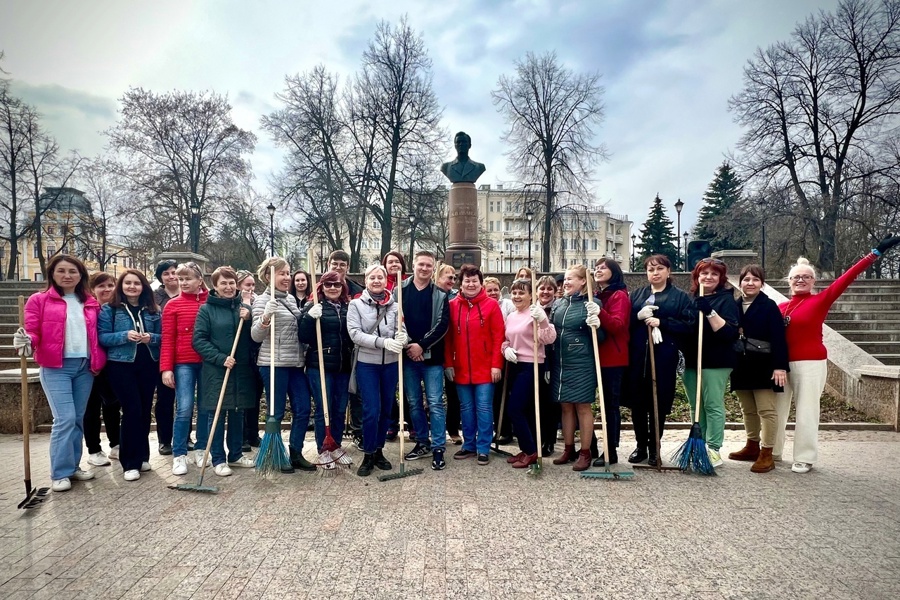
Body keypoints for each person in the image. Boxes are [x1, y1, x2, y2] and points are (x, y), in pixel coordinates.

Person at [774, 235, 900, 474]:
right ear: (788, 282)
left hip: (810, 362)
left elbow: (848, 277)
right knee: (777, 409)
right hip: (781, 364)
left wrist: (875, 253)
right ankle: (773, 449)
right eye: (796, 277)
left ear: (813, 281)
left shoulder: (820, 300)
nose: (800, 280)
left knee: (807, 410)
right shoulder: (780, 307)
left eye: (806, 277)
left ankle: (804, 457)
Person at [15, 255, 106, 492]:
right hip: (56, 366)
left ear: (81, 275)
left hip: (84, 366)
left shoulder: (89, 301)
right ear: (52, 274)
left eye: (73, 271)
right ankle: (60, 472)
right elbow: (33, 331)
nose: (67, 275)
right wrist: (27, 341)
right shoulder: (39, 300)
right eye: (62, 271)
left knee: (77, 418)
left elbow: (97, 333)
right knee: (64, 419)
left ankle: (73, 467)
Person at [626, 255, 696, 467]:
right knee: (638, 403)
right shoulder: (637, 295)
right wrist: (638, 316)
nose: (654, 273)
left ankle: (655, 447)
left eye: (659, 269)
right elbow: (626, 322)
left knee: (658, 402)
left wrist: (662, 322)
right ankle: (640, 446)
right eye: (650, 269)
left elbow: (689, 324)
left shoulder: (680, 297)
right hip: (638, 357)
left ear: (668, 271)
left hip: (664, 357)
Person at [251, 256, 315, 473]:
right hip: (273, 363)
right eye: (282, 273)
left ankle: (296, 452)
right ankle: (276, 455)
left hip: (295, 363)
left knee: (303, 408)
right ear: (269, 276)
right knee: (276, 412)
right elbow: (256, 336)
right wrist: (265, 317)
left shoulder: (289, 300)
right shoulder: (262, 301)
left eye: (288, 273)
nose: (287, 277)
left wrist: (309, 316)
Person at [192, 266, 257, 476]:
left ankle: (236, 454)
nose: (228, 287)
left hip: (240, 368)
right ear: (215, 286)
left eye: (231, 283)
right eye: (223, 283)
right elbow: (199, 340)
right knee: (217, 413)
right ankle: (219, 458)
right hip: (217, 370)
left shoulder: (244, 307)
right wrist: (221, 359)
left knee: (237, 410)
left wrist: (249, 318)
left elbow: (252, 337)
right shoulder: (206, 310)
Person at [98, 269, 161, 482]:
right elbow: (103, 337)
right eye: (128, 283)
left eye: (136, 283)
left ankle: (143, 455)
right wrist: (124, 336)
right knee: (132, 410)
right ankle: (129, 462)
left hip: (147, 364)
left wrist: (150, 337)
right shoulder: (110, 310)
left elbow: (163, 337)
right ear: (121, 286)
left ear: (143, 286)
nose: (132, 287)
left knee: (143, 411)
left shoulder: (152, 310)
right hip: (121, 365)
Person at [729, 264, 789, 473]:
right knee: (748, 410)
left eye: (755, 279)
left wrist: (780, 367)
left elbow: (779, 338)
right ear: (740, 283)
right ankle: (751, 445)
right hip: (741, 365)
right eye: (746, 279)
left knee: (766, 410)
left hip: (764, 365)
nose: (750, 283)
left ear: (762, 283)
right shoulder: (734, 305)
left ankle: (767, 453)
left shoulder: (769, 306)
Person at [347, 264, 406, 476]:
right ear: (366, 279)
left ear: (386, 280)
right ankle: (368, 452)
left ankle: (379, 450)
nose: (377, 281)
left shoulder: (395, 306)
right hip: (367, 364)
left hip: (390, 365)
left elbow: (402, 330)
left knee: (385, 411)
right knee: (371, 410)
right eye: (372, 277)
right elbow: (355, 334)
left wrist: (402, 338)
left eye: (380, 277)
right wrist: (383, 343)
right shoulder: (356, 305)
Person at [444, 264, 504, 465]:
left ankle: (483, 446)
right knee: (466, 408)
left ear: (481, 283)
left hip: (485, 367)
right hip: (461, 367)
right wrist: (448, 364)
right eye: (467, 280)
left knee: (484, 408)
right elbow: (448, 338)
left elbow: (498, 337)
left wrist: (497, 365)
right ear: (461, 283)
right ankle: (469, 444)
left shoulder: (491, 305)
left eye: (474, 281)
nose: (471, 284)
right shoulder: (452, 305)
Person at [683, 258, 740, 468]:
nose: (708, 277)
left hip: (716, 361)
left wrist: (709, 311)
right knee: (695, 405)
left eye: (714, 274)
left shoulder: (726, 300)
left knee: (712, 404)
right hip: (691, 360)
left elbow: (728, 333)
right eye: (704, 273)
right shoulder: (690, 298)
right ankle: (699, 444)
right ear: (697, 276)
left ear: (720, 278)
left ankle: (714, 448)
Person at [397, 251, 451, 471]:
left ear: (433, 268)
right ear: (414, 264)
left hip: (431, 358)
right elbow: (396, 318)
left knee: (436, 403)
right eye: (421, 264)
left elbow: (442, 324)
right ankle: (422, 441)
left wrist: (422, 345)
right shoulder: (399, 290)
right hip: (408, 356)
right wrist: (410, 344)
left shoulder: (440, 294)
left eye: (429, 265)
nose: (424, 268)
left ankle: (438, 446)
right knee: (413, 402)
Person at [548, 265, 600, 471]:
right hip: (560, 362)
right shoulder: (559, 304)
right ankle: (568, 449)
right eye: (566, 279)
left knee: (582, 407)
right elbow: (551, 331)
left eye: (571, 279)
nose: (566, 282)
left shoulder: (592, 303)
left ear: (583, 281)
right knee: (565, 405)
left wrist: (597, 323)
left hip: (582, 363)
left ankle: (585, 452)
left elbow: (600, 339)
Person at [160, 262, 210, 477]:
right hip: (184, 363)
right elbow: (168, 339)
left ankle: (201, 448)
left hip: (208, 362)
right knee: (184, 408)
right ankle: (179, 453)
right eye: (180, 279)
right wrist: (166, 369)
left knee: (206, 408)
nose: (183, 282)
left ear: (199, 280)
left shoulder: (211, 302)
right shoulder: (173, 305)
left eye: (188, 278)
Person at [501, 278, 556, 468]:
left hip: (531, 365)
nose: (516, 296)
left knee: (515, 409)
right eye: (514, 293)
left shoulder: (535, 314)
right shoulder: (511, 316)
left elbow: (548, 339)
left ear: (531, 295)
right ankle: (527, 448)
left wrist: (542, 320)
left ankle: (531, 451)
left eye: (521, 292)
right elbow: (506, 339)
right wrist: (505, 349)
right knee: (523, 410)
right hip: (515, 364)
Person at [298, 271, 354, 458]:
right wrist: (308, 318)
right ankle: (323, 449)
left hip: (343, 365)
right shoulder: (312, 307)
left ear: (342, 287)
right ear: (321, 287)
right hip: (319, 365)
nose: (332, 288)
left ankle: (335, 445)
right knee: (325, 408)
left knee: (339, 408)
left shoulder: (348, 308)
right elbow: (303, 336)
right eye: (328, 285)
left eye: (336, 285)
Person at [591, 258, 631, 466]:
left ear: (614, 272)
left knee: (609, 406)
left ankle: (611, 450)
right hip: (594, 356)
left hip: (612, 358)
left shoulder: (619, 296)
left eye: (603, 267)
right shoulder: (597, 295)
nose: (598, 270)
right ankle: (590, 446)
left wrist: (599, 313)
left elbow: (617, 325)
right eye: (596, 267)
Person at [84, 272, 120, 466]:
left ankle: (116, 444)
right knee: (91, 408)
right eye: (101, 286)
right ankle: (94, 449)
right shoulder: (88, 308)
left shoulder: (117, 309)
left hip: (112, 364)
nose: (106, 289)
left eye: (110, 285)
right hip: (90, 365)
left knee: (113, 405)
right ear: (92, 289)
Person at [382, 250, 412, 441]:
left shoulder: (408, 284)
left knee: (409, 388)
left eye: (397, 262)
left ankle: (411, 422)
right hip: (387, 345)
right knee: (389, 388)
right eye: (390, 262)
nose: (394, 264)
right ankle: (392, 423)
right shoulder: (381, 285)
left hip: (406, 341)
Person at [153, 259, 180, 455]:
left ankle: (184, 437)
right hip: (161, 353)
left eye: (174, 272)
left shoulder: (188, 294)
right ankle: (165, 439)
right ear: (161, 277)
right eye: (166, 273)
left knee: (185, 399)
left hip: (186, 352)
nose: (171, 276)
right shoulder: (154, 298)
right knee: (165, 398)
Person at [237, 269, 263, 451]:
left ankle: (254, 433)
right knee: (244, 398)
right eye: (248, 285)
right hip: (241, 356)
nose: (251, 288)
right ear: (239, 286)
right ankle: (243, 436)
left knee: (255, 396)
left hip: (257, 356)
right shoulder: (236, 304)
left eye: (253, 284)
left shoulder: (258, 301)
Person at [435, 264, 462, 445]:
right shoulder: (431, 294)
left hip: (451, 352)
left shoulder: (454, 298)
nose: (451, 281)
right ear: (438, 277)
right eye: (448, 277)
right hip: (431, 349)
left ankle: (452, 428)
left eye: (454, 278)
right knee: (433, 396)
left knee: (453, 394)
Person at [535, 275, 560, 456]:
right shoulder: (531, 308)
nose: (545, 292)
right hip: (531, 359)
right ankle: (535, 438)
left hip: (551, 358)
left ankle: (549, 440)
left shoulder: (557, 309)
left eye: (549, 289)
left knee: (549, 403)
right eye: (542, 288)